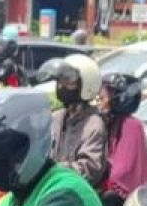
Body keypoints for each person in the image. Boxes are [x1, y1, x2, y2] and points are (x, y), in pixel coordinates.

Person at [35, 55, 108, 188]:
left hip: (73, 192)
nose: (61, 87)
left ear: (86, 85)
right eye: (60, 82)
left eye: (68, 82)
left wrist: (53, 169)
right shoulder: (56, 117)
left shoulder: (93, 124)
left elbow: (89, 169)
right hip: (50, 186)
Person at [96, 73, 147, 206]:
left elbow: (123, 170)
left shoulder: (131, 125)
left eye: (104, 96)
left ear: (119, 98)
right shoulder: (110, 121)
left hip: (124, 197)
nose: (100, 100)